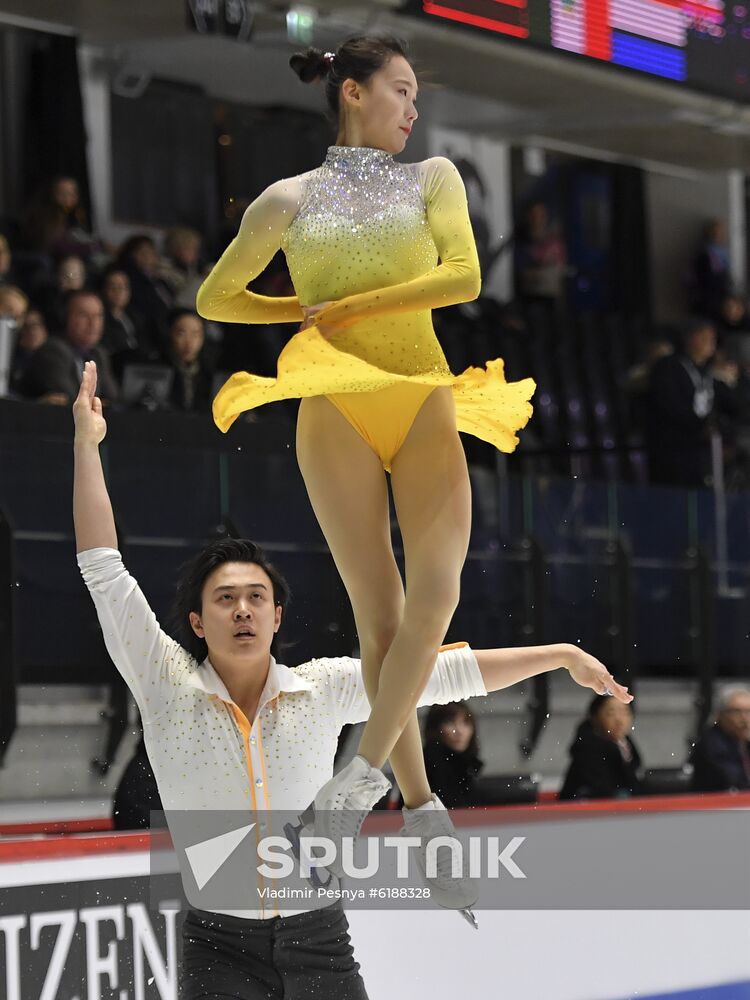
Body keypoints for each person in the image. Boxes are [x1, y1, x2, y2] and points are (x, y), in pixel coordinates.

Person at [74, 361, 628, 995]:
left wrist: (557, 654)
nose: (244, 609)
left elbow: (442, 672)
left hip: (320, 942)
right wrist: (86, 450)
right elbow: (103, 570)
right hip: (215, 947)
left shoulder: (324, 689)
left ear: (278, 616)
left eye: (257, 597)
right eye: (226, 599)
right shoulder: (163, 682)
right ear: (197, 622)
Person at [196, 35, 537, 915]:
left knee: (436, 598)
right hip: (334, 402)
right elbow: (213, 299)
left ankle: (362, 783)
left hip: (420, 393)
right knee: (379, 617)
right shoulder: (287, 199)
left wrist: (350, 304)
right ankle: (416, 808)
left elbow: (462, 277)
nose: (413, 107)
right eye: (401, 90)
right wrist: (297, 310)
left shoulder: (435, 177)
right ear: (353, 92)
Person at [646, 318, 734, 487]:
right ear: (689, 338)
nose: (709, 343)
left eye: (712, 339)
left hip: (703, 452)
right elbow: (669, 406)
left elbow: (730, 406)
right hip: (674, 451)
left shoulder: (710, 371)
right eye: (703, 337)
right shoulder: (668, 367)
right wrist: (699, 426)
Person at [21, 290, 118, 405]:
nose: (93, 323)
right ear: (66, 318)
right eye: (84, 315)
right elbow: (71, 400)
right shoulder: (52, 351)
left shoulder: (99, 353)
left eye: (98, 316)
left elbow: (113, 399)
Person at [558, 694, 643, 801]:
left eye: (625, 712)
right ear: (595, 717)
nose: (619, 720)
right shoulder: (588, 748)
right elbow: (600, 791)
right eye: (610, 713)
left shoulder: (625, 744)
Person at [422, 701, 485, 809]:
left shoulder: (467, 767)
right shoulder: (429, 766)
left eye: (465, 722)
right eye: (450, 722)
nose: (459, 731)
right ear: (436, 728)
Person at [690, 685, 750, 793]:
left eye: (748, 711)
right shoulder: (712, 745)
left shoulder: (744, 742)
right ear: (720, 715)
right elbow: (735, 783)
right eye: (737, 712)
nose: (745, 719)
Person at [163, 308, 214, 412]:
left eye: (195, 335)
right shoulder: (160, 368)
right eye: (181, 334)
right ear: (171, 334)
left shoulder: (210, 372)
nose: (189, 343)